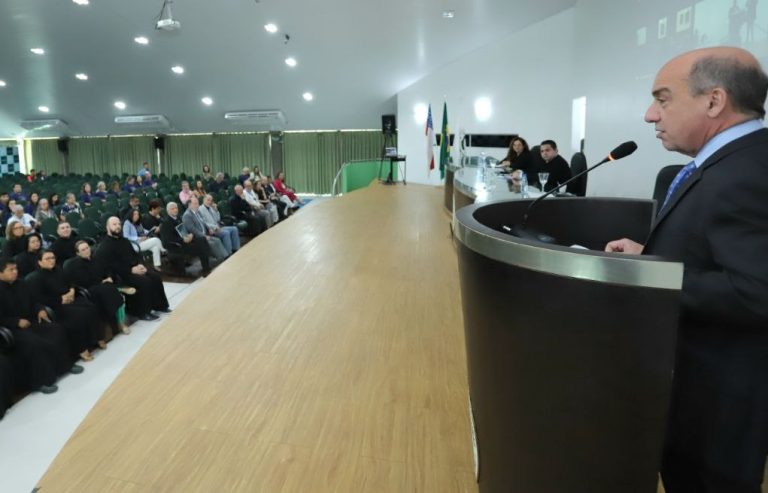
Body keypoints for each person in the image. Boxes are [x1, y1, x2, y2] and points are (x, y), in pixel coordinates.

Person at [605, 47, 768, 493]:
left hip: (718, 409)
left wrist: (652, 277)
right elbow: (721, 251)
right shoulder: (729, 161)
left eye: (663, 99)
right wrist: (650, 254)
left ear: (714, 101)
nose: (650, 115)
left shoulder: (748, 171)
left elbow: (756, 291)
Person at [0, 257, 77, 395]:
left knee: (57, 330)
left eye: (15, 268)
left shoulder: (22, 283)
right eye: (10, 270)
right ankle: (42, 381)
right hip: (13, 329)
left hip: (32, 320)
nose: (15, 272)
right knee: (33, 343)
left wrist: (40, 309)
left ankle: (65, 366)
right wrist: (16, 322)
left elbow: (34, 301)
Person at [30, 250, 104, 360]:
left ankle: (97, 338)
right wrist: (60, 299)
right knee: (78, 316)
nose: (51, 261)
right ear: (40, 262)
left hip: (70, 298)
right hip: (57, 305)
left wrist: (72, 290)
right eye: (47, 259)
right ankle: (81, 349)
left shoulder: (59, 270)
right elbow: (39, 298)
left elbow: (71, 282)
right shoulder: (35, 278)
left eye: (53, 258)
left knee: (90, 307)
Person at [96, 217, 170, 321]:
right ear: (107, 227)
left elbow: (136, 255)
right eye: (114, 224)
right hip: (119, 275)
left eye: (119, 224)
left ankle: (160, 306)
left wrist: (140, 264)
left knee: (155, 277)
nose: (117, 226)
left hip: (133, 269)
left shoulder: (124, 241)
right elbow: (110, 266)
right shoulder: (104, 246)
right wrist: (130, 270)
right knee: (144, 282)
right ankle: (143, 312)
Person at [66, 240, 131, 336]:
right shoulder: (75, 265)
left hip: (104, 285)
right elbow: (83, 281)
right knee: (111, 291)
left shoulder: (96, 258)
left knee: (112, 293)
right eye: (83, 250)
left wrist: (109, 277)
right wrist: (101, 281)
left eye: (87, 248)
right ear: (78, 253)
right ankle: (120, 290)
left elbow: (107, 269)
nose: (86, 251)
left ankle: (121, 323)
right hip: (91, 288)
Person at [160, 202, 213, 276]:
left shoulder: (179, 218)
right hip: (177, 246)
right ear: (168, 211)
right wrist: (182, 240)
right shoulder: (165, 224)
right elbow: (166, 241)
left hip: (186, 241)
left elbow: (185, 231)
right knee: (200, 246)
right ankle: (206, 268)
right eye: (172, 209)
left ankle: (207, 266)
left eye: (176, 208)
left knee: (202, 239)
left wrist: (190, 235)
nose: (175, 210)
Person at [182, 196, 228, 261]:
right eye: (195, 204)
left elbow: (204, 222)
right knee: (212, 243)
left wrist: (209, 228)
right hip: (198, 237)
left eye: (198, 203)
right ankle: (221, 259)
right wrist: (204, 236)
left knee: (217, 240)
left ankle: (226, 256)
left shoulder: (197, 211)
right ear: (189, 205)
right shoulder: (187, 215)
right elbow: (193, 229)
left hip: (205, 233)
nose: (198, 205)